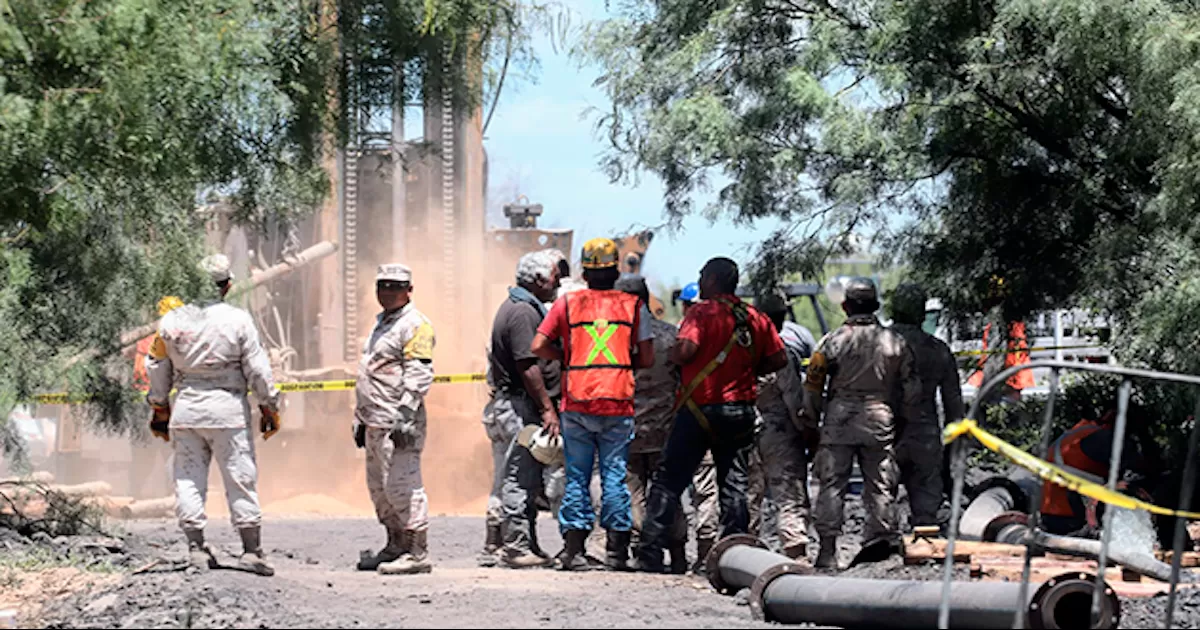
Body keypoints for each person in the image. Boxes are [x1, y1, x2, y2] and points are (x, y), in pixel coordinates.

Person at [636, 257, 788, 573]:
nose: (700, 280)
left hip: (699, 409)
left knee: (669, 481)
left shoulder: (701, 313)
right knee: (734, 482)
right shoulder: (753, 317)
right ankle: (735, 553)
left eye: (703, 276)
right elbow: (778, 359)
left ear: (714, 280)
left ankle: (649, 551)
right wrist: (746, 368)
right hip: (740, 410)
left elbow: (685, 352)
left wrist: (679, 357)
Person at [146, 254, 282, 576]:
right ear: (227, 285)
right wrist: (268, 405)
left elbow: (156, 366)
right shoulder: (238, 320)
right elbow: (258, 370)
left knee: (188, 479)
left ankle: (196, 549)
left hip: (187, 410)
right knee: (239, 477)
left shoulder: (170, 322)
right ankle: (252, 552)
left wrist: (160, 407)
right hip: (228, 410)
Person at [532, 238, 655, 571]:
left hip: (578, 400)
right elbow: (646, 357)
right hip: (617, 402)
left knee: (577, 477)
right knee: (614, 477)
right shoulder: (634, 307)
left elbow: (539, 344)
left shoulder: (567, 304)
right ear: (615, 271)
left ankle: (573, 551)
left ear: (585, 273)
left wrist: (568, 357)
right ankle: (616, 552)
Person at [804, 277, 920, 569]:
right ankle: (881, 547)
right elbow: (912, 391)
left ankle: (827, 552)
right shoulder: (896, 342)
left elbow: (813, 386)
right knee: (880, 484)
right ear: (875, 305)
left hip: (838, 419)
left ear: (845, 306)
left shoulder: (831, 341)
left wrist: (811, 423)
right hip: (879, 418)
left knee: (831, 485)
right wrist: (903, 423)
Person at [353, 263, 437, 575]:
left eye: (395, 286)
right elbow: (371, 372)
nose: (387, 292)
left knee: (403, 486)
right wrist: (359, 417)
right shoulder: (381, 324)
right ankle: (394, 546)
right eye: (382, 286)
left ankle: (417, 553)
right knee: (379, 489)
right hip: (374, 419)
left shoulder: (415, 325)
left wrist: (404, 415)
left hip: (398, 422)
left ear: (409, 290)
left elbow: (418, 373)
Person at [483, 250, 561, 568]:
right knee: (519, 475)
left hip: (516, 404)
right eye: (555, 275)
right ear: (539, 279)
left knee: (526, 475)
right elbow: (527, 366)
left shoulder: (522, 307)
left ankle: (524, 542)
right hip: (518, 406)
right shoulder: (522, 313)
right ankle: (516, 546)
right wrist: (546, 408)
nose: (557, 282)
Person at [616, 274, 688, 573]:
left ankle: (645, 554)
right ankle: (679, 554)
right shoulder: (671, 336)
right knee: (668, 492)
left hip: (626, 431)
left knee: (633, 494)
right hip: (666, 432)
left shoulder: (615, 340)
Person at [888, 283, 964, 531]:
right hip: (926, 437)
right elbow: (954, 408)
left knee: (882, 505)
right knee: (927, 514)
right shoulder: (938, 350)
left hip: (886, 434)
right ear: (921, 314)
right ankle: (925, 551)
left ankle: (885, 549)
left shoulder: (878, 347)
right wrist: (951, 454)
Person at [753, 290, 815, 560]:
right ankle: (795, 555)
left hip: (743, 430)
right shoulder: (780, 352)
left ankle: (744, 553)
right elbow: (795, 400)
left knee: (747, 496)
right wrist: (809, 432)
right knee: (789, 494)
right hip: (778, 433)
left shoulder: (739, 349)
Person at [1041, 406, 1148, 536]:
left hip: (1049, 513)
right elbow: (1135, 474)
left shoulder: (1077, 433)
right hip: (1073, 518)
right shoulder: (1105, 439)